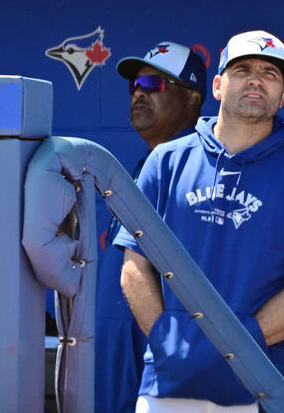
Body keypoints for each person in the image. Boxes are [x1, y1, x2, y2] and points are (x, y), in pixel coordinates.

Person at [114, 30, 284, 411]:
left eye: (271, 73)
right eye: (243, 69)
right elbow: (134, 265)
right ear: (218, 86)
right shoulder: (166, 162)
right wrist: (166, 339)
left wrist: (234, 348)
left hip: (256, 389)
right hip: (167, 385)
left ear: (283, 95)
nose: (256, 79)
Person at [95, 42, 207, 412]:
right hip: (117, 356)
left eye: (154, 83)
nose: (140, 90)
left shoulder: (202, 173)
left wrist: (166, 347)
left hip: (159, 363)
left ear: (192, 98)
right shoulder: (146, 167)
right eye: (135, 84)